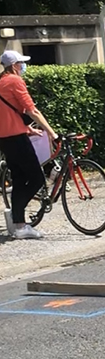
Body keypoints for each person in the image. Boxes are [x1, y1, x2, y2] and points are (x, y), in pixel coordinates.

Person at [0, 50, 57, 239]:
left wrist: (28, 129)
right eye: (21, 63)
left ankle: (19, 226)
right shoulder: (14, 81)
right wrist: (51, 132)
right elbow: (32, 110)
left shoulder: (1, 82)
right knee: (36, 178)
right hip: (17, 139)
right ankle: (18, 218)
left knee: (18, 179)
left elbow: (8, 113)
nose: (23, 67)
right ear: (15, 65)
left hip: (5, 138)